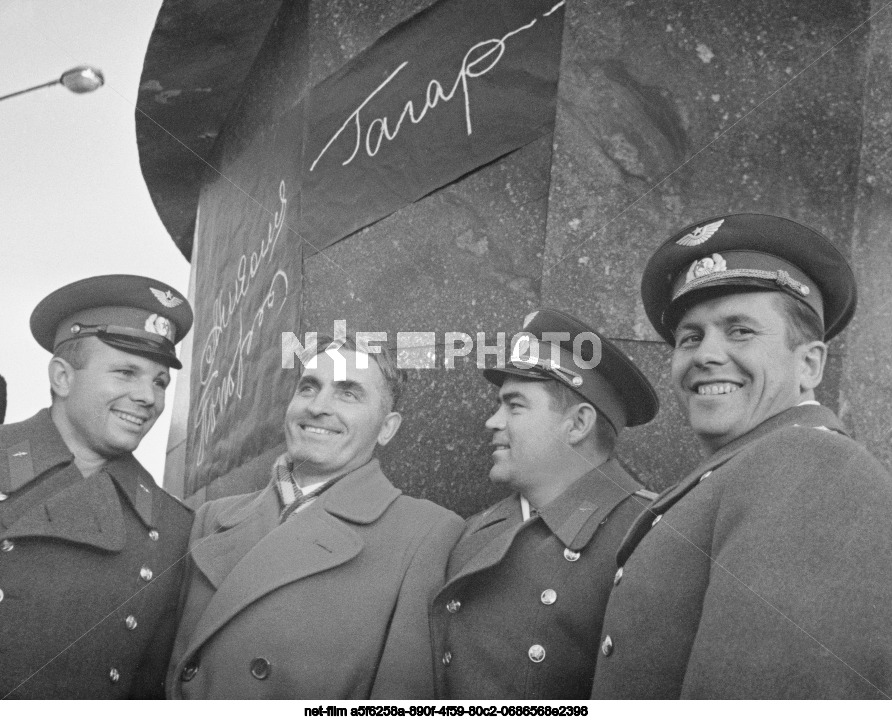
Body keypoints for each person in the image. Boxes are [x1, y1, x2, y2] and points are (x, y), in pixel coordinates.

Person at [591, 212, 892, 699]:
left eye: (740, 331)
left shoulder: (813, 468)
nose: (705, 354)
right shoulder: (749, 470)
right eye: (691, 337)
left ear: (809, 364)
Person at [167, 335, 463, 699]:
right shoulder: (213, 517)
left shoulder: (425, 533)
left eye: (348, 393)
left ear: (387, 428)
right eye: (308, 388)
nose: (318, 407)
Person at [430, 309, 659, 699]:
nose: (492, 421)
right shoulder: (472, 533)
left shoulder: (650, 535)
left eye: (515, 406)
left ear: (577, 424)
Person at [0, 274, 194, 699]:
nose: (148, 397)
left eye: (160, 382)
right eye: (126, 372)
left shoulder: (172, 527)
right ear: (62, 378)